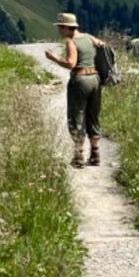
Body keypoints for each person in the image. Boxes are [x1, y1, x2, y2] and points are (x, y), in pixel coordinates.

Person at [44, 12, 103, 168]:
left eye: (60, 27)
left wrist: (54, 58)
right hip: (95, 80)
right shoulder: (89, 37)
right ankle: (96, 155)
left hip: (80, 81)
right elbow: (103, 46)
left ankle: (78, 157)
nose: (59, 31)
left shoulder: (71, 42)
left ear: (66, 27)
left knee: (77, 116)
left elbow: (71, 63)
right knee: (93, 116)